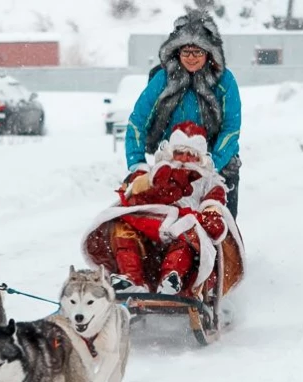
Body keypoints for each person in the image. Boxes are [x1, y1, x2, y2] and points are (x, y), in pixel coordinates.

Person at [82, 121, 243, 297]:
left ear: (200, 159)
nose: (184, 159)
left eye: (191, 155)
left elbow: (213, 204)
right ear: (169, 153)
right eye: (179, 153)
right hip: (149, 234)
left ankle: (171, 280)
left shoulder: (209, 182)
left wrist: (212, 215)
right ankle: (131, 279)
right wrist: (149, 183)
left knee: (188, 233)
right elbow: (132, 194)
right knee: (122, 226)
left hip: (184, 232)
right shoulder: (156, 174)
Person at [125, 8, 243, 219]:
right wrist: (137, 163)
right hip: (173, 159)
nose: (191, 57)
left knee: (216, 221)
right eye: (185, 51)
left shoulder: (225, 81)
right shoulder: (162, 79)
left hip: (217, 162)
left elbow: (231, 128)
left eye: (198, 51)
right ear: (176, 51)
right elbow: (137, 121)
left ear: (209, 53)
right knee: (163, 222)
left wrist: (212, 164)